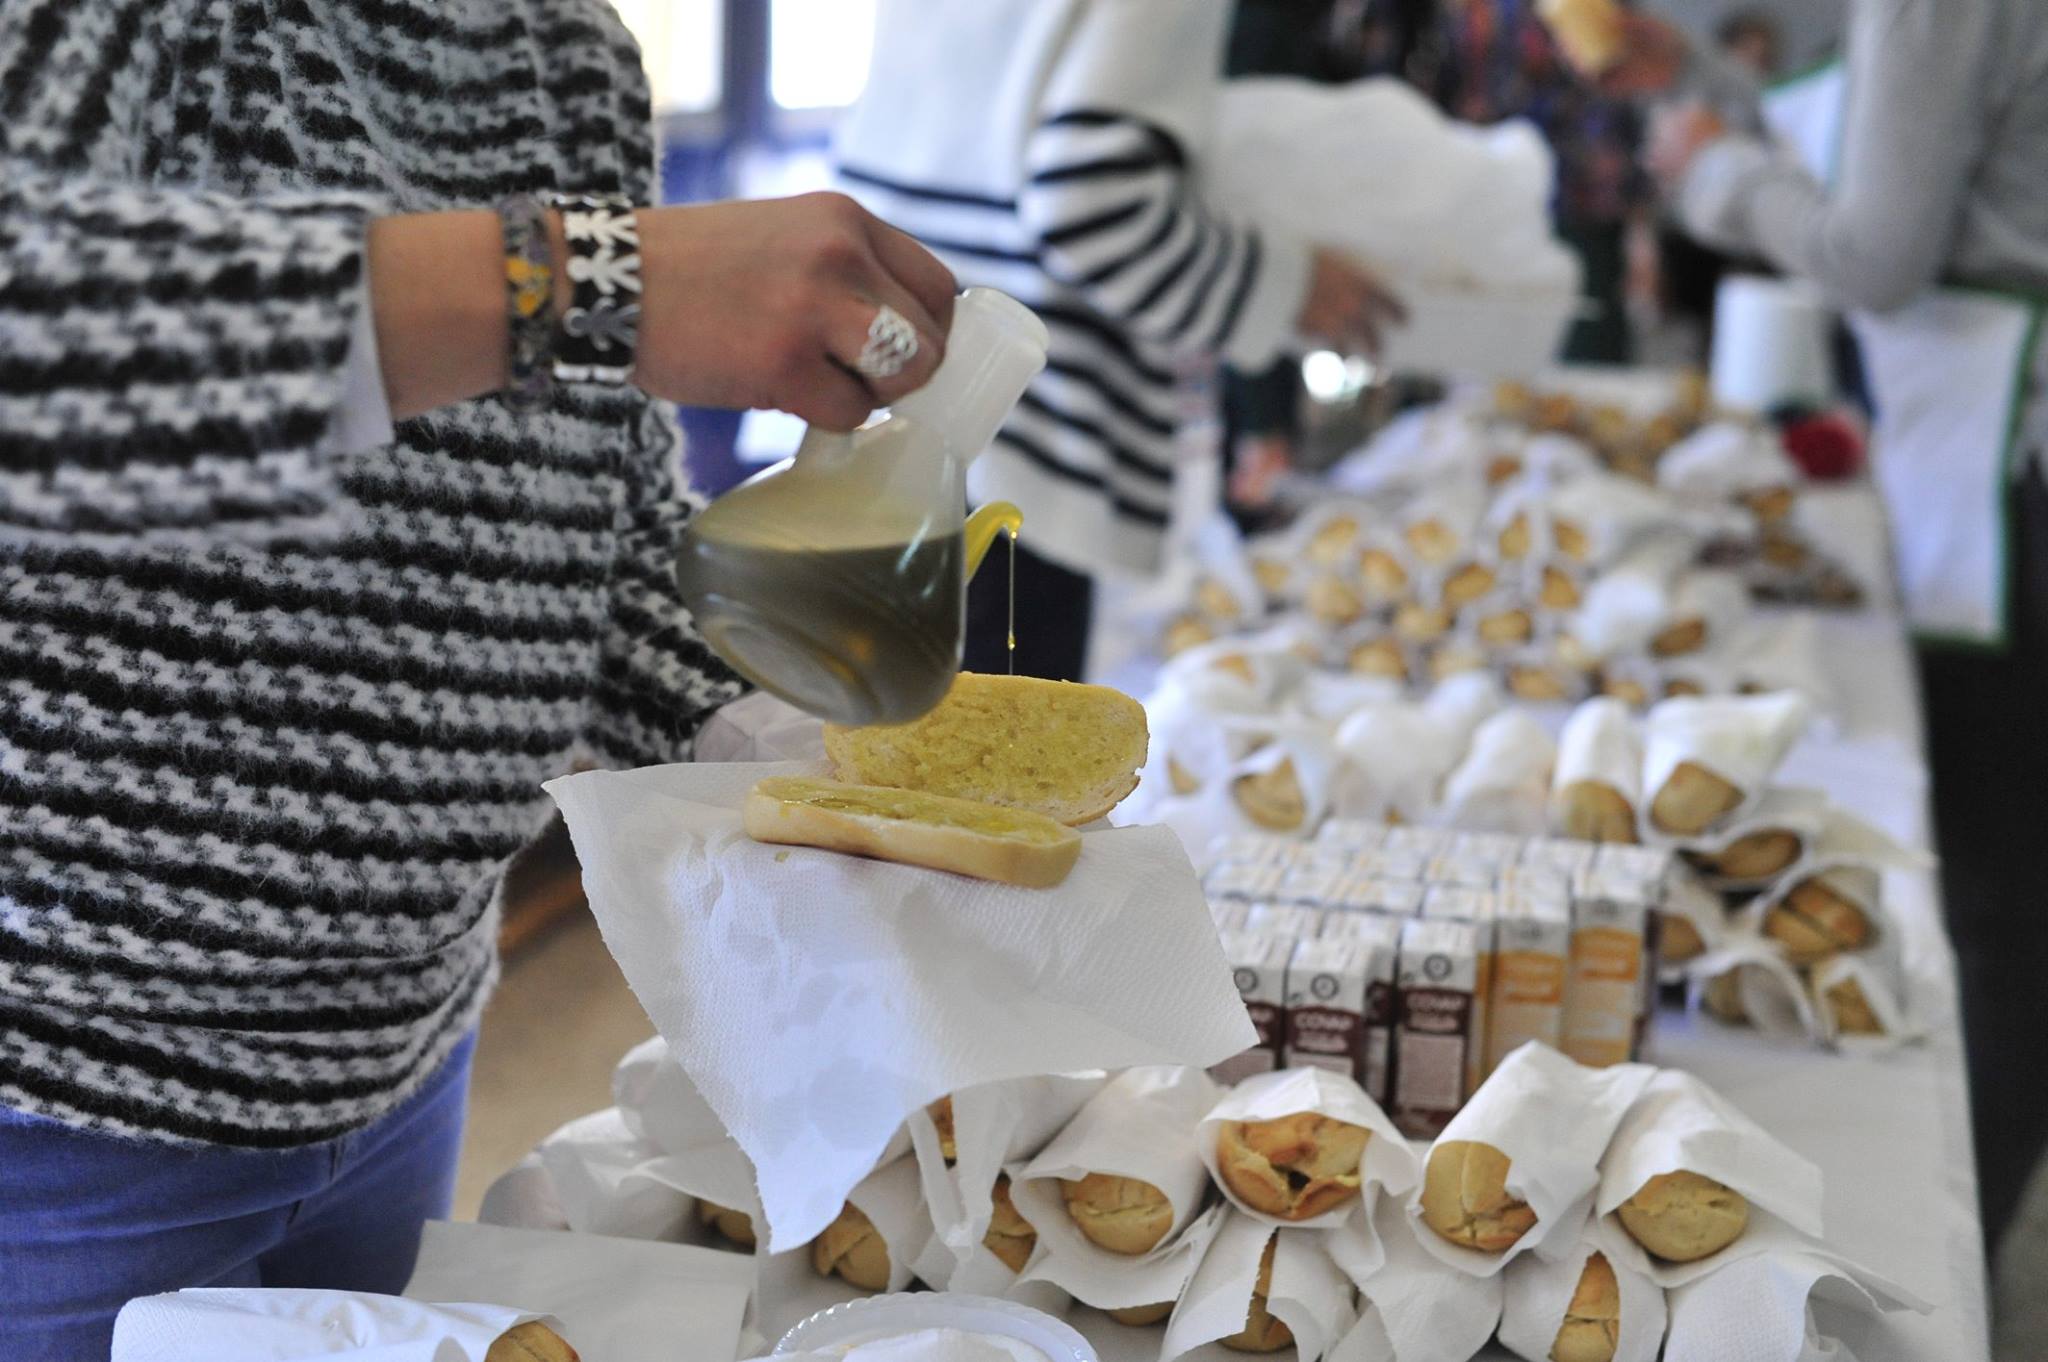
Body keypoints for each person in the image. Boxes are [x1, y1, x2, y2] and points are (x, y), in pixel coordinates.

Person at [0, 1, 959, 1353]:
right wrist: (576, 277)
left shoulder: (562, 46)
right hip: (57, 1111)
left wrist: (774, 745)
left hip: (406, 1049)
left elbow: (588, 530)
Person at [1619, 0, 2048, 1252]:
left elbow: (1873, 252)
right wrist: (1697, 78)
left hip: (2008, 464)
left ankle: (1946, 1255)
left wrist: (1708, 171)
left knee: (1999, 893)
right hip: (1985, 437)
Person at [834, 0, 1407, 682]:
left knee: (871, 761)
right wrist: (1288, 288)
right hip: (1022, 437)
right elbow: (1092, 205)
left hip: (879, 391)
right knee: (991, 773)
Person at [1428, 0, 1654, 364]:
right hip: (1491, 203)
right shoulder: (1462, 17)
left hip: (1574, 201)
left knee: (1583, 344)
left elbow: (1608, 90)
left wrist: (1641, 226)